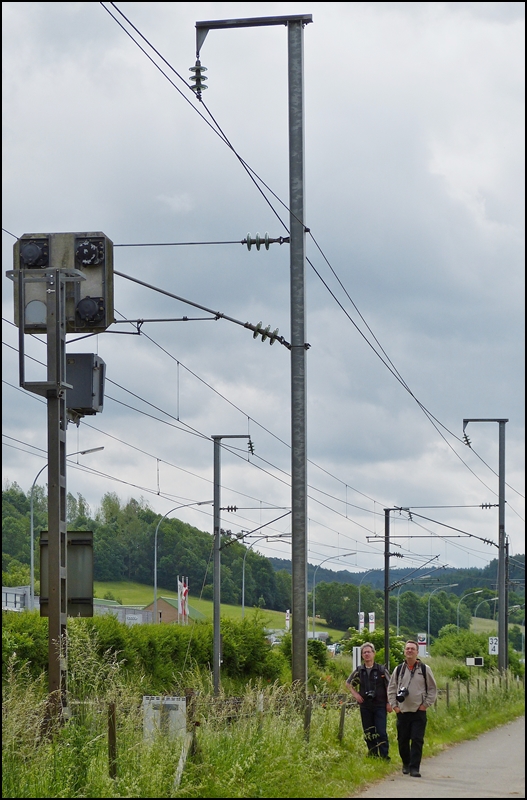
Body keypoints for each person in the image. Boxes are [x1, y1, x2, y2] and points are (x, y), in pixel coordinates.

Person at [387, 639, 438, 778]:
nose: (409, 651)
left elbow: (432, 689)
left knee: (417, 739)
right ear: (404, 651)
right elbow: (391, 688)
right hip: (402, 712)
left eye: (412, 649)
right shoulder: (398, 670)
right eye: (407, 649)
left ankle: (415, 767)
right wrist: (394, 706)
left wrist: (425, 705)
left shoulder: (424, 669)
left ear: (417, 652)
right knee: (402, 740)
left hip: (418, 712)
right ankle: (406, 763)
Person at [346, 642, 392, 760]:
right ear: (362, 655)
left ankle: (384, 756)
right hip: (365, 705)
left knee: (381, 731)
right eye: (364, 652)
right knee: (368, 732)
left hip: (380, 705)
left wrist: (389, 702)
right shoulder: (359, 670)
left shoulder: (381, 670)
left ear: (374, 654)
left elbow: (390, 686)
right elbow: (348, 683)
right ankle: (372, 754)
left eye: (369, 652)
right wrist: (356, 694)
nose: (367, 654)